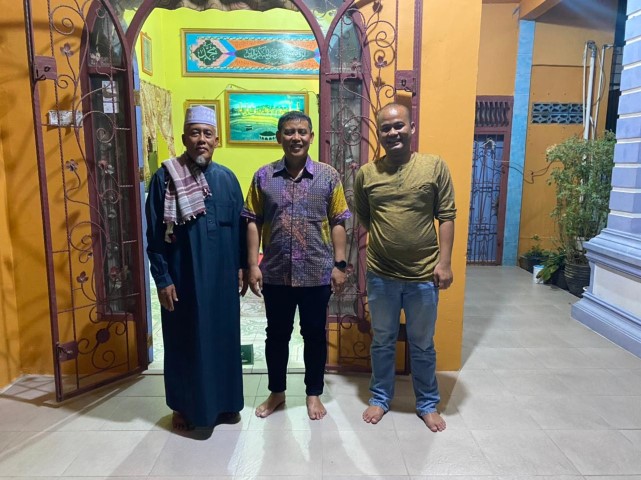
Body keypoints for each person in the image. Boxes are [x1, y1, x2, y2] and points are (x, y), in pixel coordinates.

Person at [353, 103, 456, 432]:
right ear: (379, 133)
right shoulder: (367, 174)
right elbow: (365, 216)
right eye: (385, 127)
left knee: (422, 343)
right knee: (382, 340)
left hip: (423, 275)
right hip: (381, 275)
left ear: (411, 127)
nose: (393, 132)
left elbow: (447, 215)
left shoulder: (434, 166)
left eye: (399, 125)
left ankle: (427, 403)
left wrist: (445, 263)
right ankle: (380, 397)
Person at [242, 110, 351, 420]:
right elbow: (252, 220)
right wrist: (252, 264)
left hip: (317, 273)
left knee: (314, 335)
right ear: (279, 137)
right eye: (289, 132)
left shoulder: (328, 176)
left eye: (302, 132)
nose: (296, 137)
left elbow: (339, 221)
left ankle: (313, 393)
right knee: (276, 335)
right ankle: (277, 392)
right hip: (276, 273)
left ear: (311, 137)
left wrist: (340, 265)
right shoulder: (263, 176)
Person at [145, 105, 248, 431]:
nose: (201, 139)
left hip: (221, 281)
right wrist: (163, 279)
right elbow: (154, 235)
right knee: (185, 341)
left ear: (216, 140)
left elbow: (241, 228)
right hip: (183, 279)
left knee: (223, 340)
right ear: (184, 138)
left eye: (207, 134)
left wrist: (243, 266)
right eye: (195, 133)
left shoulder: (227, 179)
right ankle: (184, 407)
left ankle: (226, 403)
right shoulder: (165, 179)